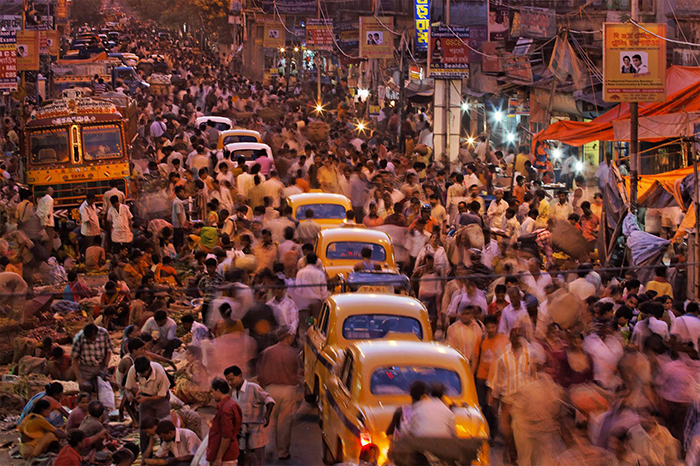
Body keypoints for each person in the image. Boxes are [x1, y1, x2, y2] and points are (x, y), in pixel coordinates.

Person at [256, 327, 301, 460]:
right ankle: (282, 452)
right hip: (288, 391)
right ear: (287, 337)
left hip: (270, 390)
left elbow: (261, 373)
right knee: (284, 423)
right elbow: (297, 372)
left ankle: (268, 449)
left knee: (270, 421)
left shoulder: (267, 352)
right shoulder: (293, 353)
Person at [224, 365, 275, 466]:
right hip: (241, 433)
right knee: (243, 459)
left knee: (258, 460)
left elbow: (269, 400)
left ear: (239, 376)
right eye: (228, 381)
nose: (230, 383)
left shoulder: (253, 388)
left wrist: (267, 416)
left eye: (232, 379)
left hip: (256, 431)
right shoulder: (234, 393)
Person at [124, 356, 172, 454]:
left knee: (164, 426)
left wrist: (146, 399)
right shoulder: (133, 370)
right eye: (139, 374)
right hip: (145, 397)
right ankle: (146, 454)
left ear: (148, 369)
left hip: (160, 399)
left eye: (143, 373)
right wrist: (129, 395)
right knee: (144, 427)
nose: (140, 375)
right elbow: (127, 388)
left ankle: (166, 453)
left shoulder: (159, 373)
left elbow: (162, 395)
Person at [472, 315, 509, 437]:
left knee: (492, 408)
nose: (491, 330)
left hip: (496, 380)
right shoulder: (481, 339)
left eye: (493, 327)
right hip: (482, 378)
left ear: (497, 326)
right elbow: (476, 358)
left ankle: (492, 433)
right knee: (481, 405)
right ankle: (482, 431)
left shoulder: (504, 341)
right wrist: (472, 375)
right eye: (489, 328)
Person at [208, 377, 243, 466]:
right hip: (227, 454)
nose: (211, 395)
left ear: (218, 391)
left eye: (212, 391)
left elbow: (227, 436)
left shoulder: (226, 409)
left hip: (226, 457)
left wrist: (219, 458)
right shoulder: (230, 405)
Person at [71, 323, 113, 392]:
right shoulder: (78, 338)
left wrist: (105, 366)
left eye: (91, 339)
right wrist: (79, 379)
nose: (89, 341)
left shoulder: (104, 333)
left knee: (103, 391)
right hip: (86, 368)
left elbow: (108, 351)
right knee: (86, 391)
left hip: (101, 366)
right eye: (87, 339)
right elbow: (74, 359)